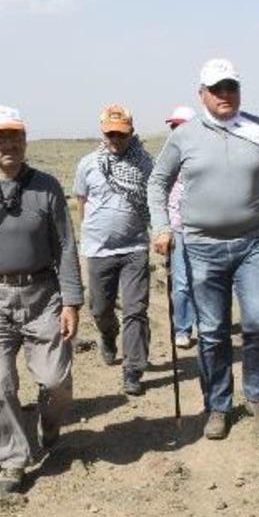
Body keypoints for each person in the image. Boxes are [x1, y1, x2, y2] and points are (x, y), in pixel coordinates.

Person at [147, 59, 259, 441]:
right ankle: (217, 405)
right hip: (201, 247)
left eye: (231, 88)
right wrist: (161, 226)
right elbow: (157, 182)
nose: (225, 95)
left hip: (253, 243)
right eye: (216, 89)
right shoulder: (184, 136)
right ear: (201, 93)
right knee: (214, 331)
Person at [0, 105, 82, 496]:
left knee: (57, 381)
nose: (9, 144)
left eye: (15, 136)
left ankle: (50, 420)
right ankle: (12, 461)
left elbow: (66, 247)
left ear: (25, 140)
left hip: (43, 297)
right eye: (0, 137)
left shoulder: (47, 186)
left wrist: (72, 300)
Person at [73, 104, 153, 396]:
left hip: (135, 247)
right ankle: (108, 335)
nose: (115, 140)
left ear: (131, 132)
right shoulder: (88, 164)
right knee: (99, 308)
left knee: (136, 309)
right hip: (98, 250)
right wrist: (91, 234)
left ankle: (133, 369)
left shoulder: (145, 163)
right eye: (110, 134)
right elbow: (81, 201)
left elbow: (154, 200)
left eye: (121, 134)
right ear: (102, 132)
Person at [164, 105, 198, 349]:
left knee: (205, 279)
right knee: (182, 281)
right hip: (177, 228)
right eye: (173, 126)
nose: (175, 129)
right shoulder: (167, 156)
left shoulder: (204, 154)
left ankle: (205, 323)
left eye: (180, 125)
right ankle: (183, 328)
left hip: (205, 228)